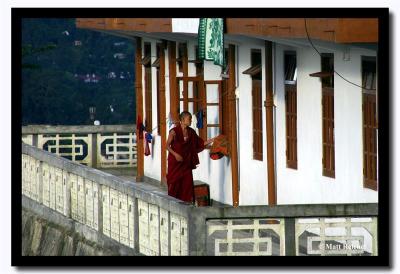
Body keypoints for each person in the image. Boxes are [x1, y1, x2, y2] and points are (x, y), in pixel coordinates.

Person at [166, 111, 215, 203]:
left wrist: (213, 140)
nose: (191, 121)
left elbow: (200, 144)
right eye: (189, 119)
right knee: (174, 184)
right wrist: (175, 154)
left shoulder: (191, 132)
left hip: (186, 163)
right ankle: (172, 203)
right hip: (175, 163)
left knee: (187, 185)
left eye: (191, 119)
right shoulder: (174, 132)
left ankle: (186, 203)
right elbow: (167, 146)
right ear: (183, 120)